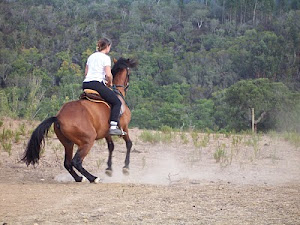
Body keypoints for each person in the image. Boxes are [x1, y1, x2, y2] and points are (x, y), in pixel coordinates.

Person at [82, 38, 123, 135]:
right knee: (117, 102)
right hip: (97, 84)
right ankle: (113, 126)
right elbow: (108, 75)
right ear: (107, 46)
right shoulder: (105, 58)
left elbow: (86, 73)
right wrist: (110, 83)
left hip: (86, 84)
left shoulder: (91, 57)